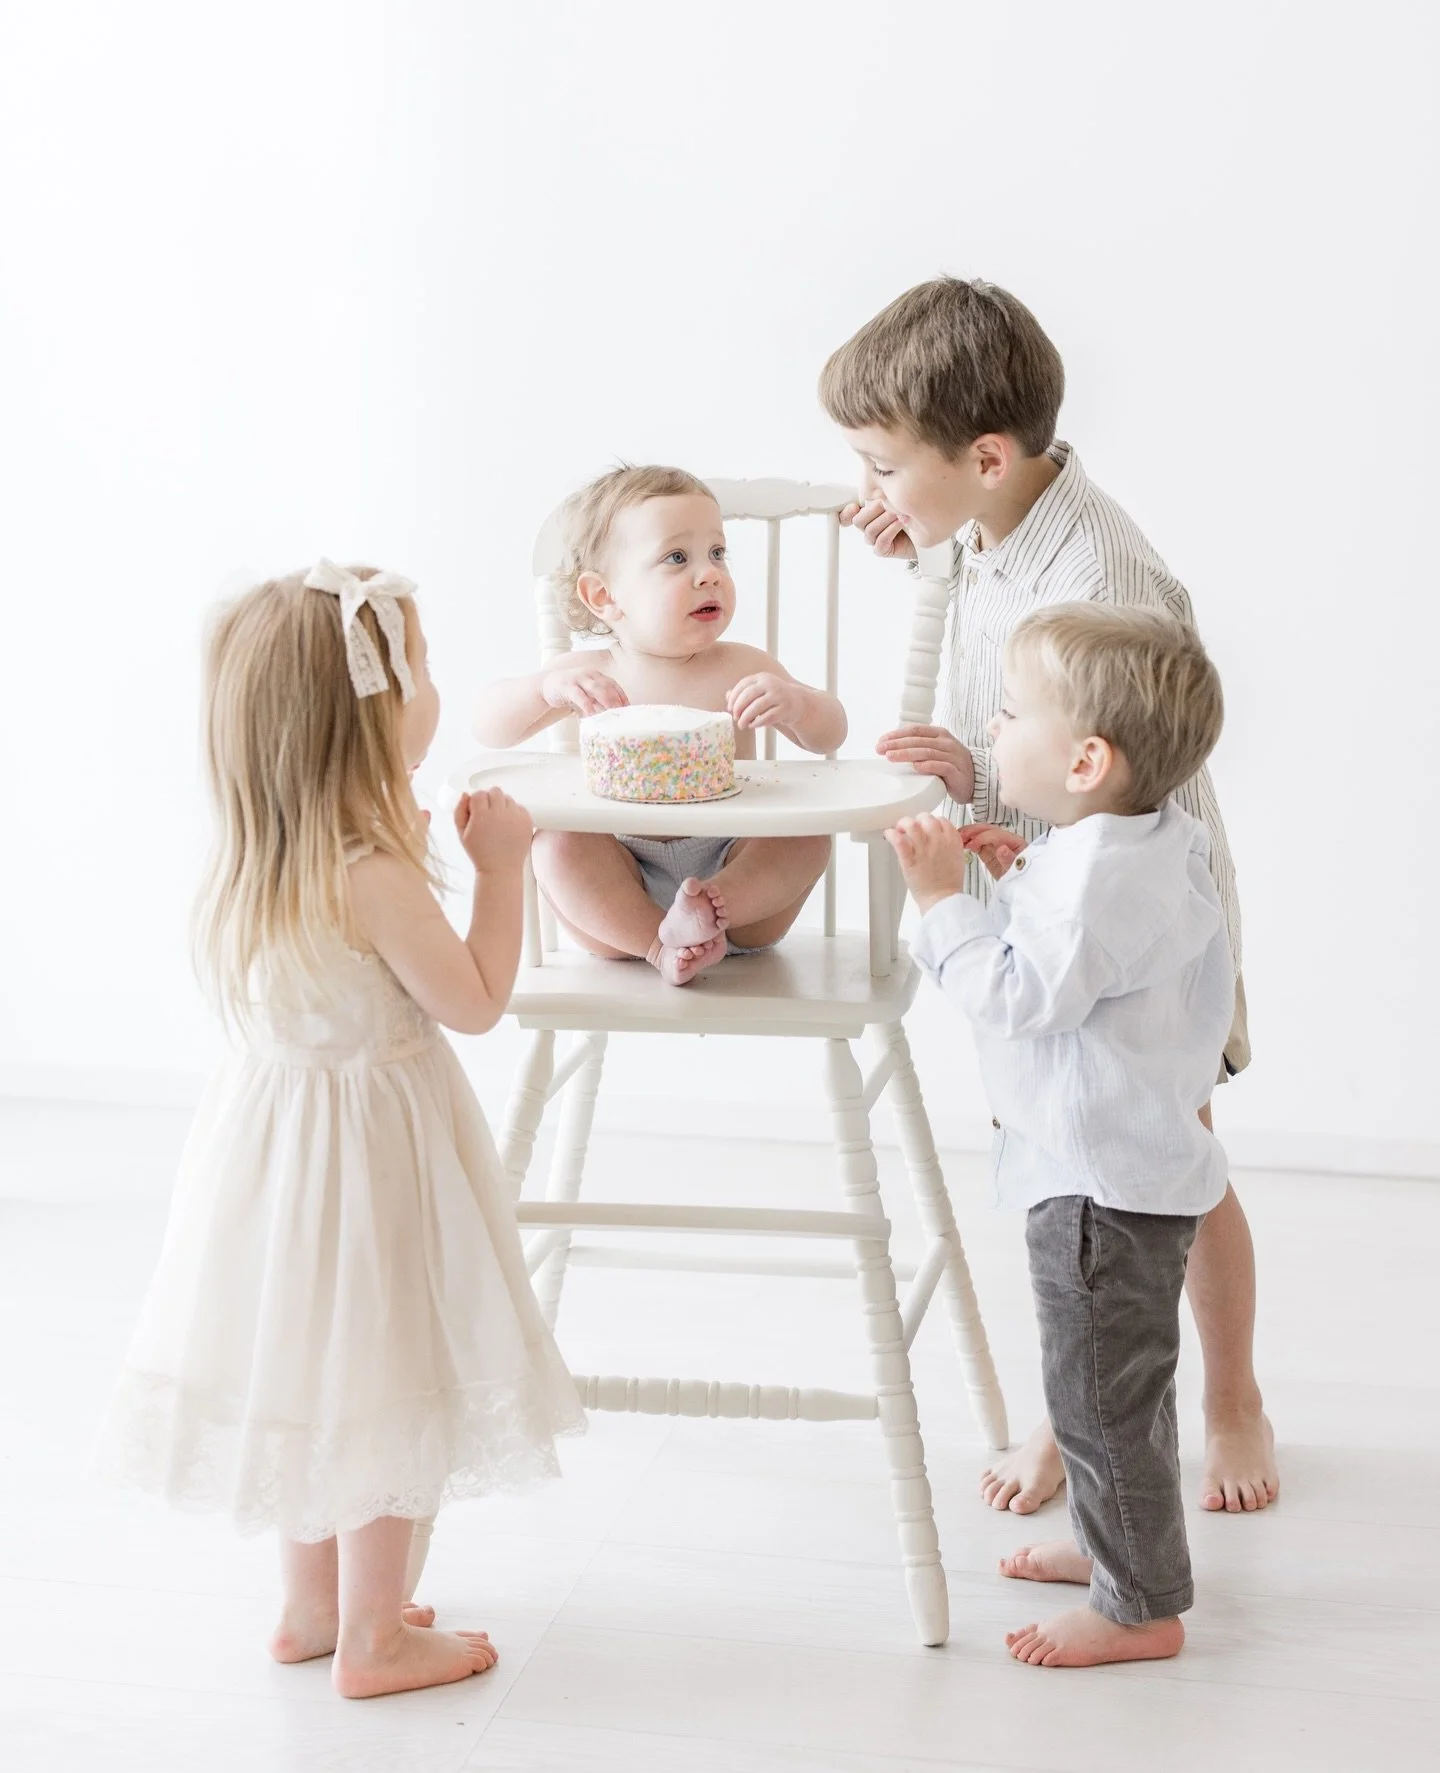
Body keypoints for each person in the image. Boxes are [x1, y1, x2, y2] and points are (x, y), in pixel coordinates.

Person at [822, 276, 1276, 1517]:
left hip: (1130, 909)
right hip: (1044, 878)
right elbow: (1031, 721)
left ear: (983, 457)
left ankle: (1228, 1395)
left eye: (882, 467)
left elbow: (1113, 768)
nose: (866, 490)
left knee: (1169, 1161)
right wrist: (922, 539)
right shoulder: (989, 519)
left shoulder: (1097, 584)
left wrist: (981, 785)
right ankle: (1079, 1410)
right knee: (1060, 1158)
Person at [97, 560, 585, 1699]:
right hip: (375, 1166)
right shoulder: (371, 872)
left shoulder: (260, 855)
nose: (435, 690)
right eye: (422, 670)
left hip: (274, 1164)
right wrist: (500, 871)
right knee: (386, 1377)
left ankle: (312, 1609)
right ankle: (375, 1638)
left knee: (313, 1375)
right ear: (369, 712)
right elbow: (473, 1001)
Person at [888, 602, 1234, 1667]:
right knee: (1119, 1389)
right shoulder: (1136, 846)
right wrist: (1016, 878)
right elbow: (1086, 957)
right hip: (1128, 1172)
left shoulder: (1094, 885)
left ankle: (1140, 1609)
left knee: (1097, 1403)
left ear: (1085, 761)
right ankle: (1112, 1544)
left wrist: (942, 899)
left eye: (1007, 713)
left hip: (1095, 1190)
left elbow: (1019, 995)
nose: (992, 729)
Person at [474, 465, 844, 984]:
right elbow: (489, 728)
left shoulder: (744, 666)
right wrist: (542, 690)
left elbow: (831, 736)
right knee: (555, 847)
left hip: (737, 876)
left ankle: (707, 911)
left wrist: (798, 704)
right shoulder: (589, 674)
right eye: (677, 558)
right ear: (603, 597)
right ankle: (658, 944)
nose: (709, 573)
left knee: (807, 835)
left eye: (717, 553)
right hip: (620, 877)